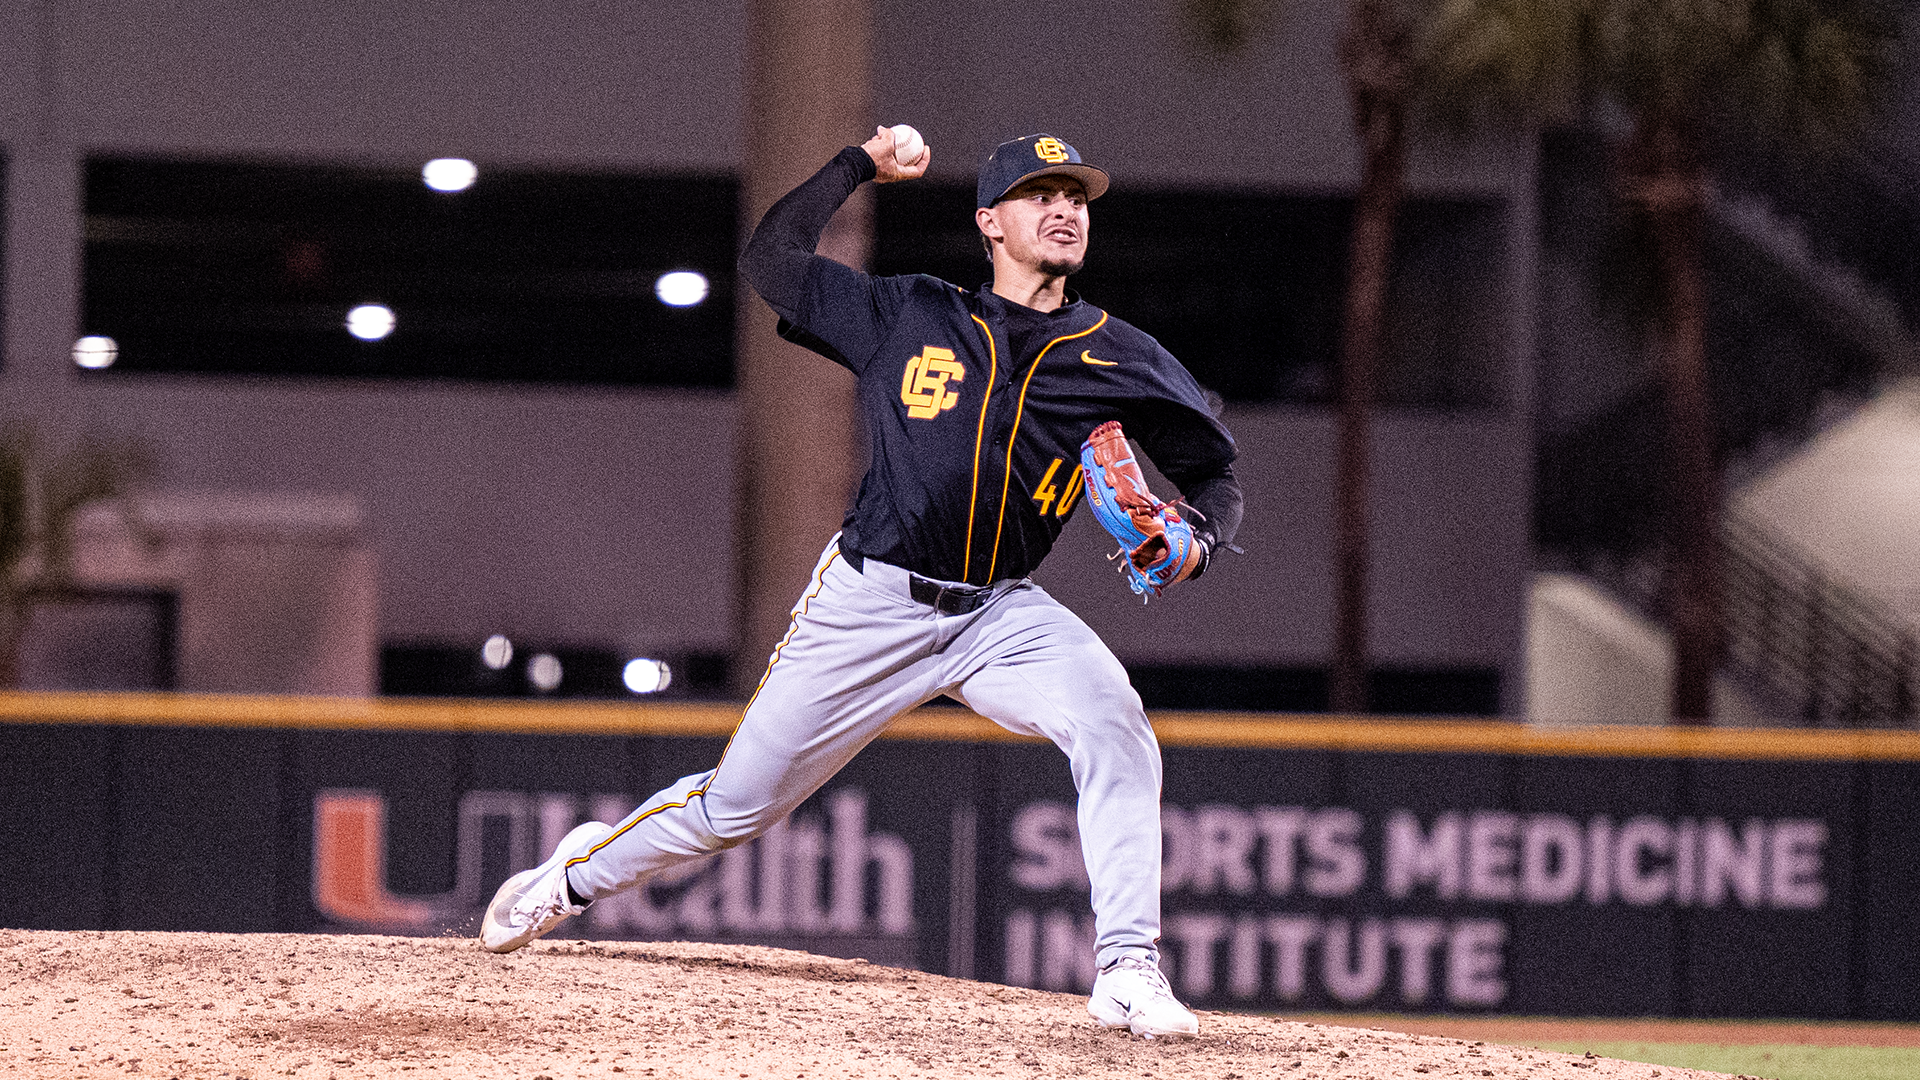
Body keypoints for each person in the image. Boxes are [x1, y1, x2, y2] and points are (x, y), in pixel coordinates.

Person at [480, 128, 1244, 1039]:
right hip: (870, 601)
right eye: (1041, 193)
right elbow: (771, 259)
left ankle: (1128, 966)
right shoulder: (909, 312)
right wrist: (857, 165)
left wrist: (1198, 535)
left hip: (1002, 613)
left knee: (1116, 722)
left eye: (1076, 196)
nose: (1065, 209)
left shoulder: (1119, 354)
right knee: (734, 806)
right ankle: (565, 880)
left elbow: (1215, 476)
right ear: (989, 223)